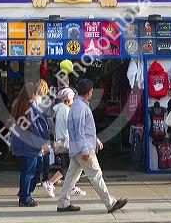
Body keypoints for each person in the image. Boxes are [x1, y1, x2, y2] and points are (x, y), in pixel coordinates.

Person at [57, 79, 127, 213]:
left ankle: (63, 203)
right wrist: (85, 149)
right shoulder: (80, 106)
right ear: (89, 92)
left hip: (79, 147)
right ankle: (110, 203)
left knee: (71, 176)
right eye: (92, 90)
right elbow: (79, 130)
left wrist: (96, 140)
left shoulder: (78, 105)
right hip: (83, 149)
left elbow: (84, 129)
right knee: (96, 174)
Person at [11, 82, 50, 207]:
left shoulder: (20, 105)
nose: (37, 96)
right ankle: (25, 198)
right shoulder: (27, 108)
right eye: (36, 93)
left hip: (25, 144)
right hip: (28, 145)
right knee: (29, 172)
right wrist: (42, 144)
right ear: (31, 94)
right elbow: (33, 128)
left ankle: (24, 192)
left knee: (32, 170)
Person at [42, 88, 86, 198]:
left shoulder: (56, 109)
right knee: (67, 167)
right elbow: (71, 128)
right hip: (66, 142)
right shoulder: (65, 110)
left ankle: (72, 187)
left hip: (60, 142)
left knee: (72, 165)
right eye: (72, 99)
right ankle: (50, 183)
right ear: (68, 99)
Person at [35, 79, 52, 185]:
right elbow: (50, 117)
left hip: (36, 129)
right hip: (45, 129)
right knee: (46, 155)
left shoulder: (34, 99)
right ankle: (45, 178)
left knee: (37, 155)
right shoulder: (47, 100)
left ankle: (36, 178)